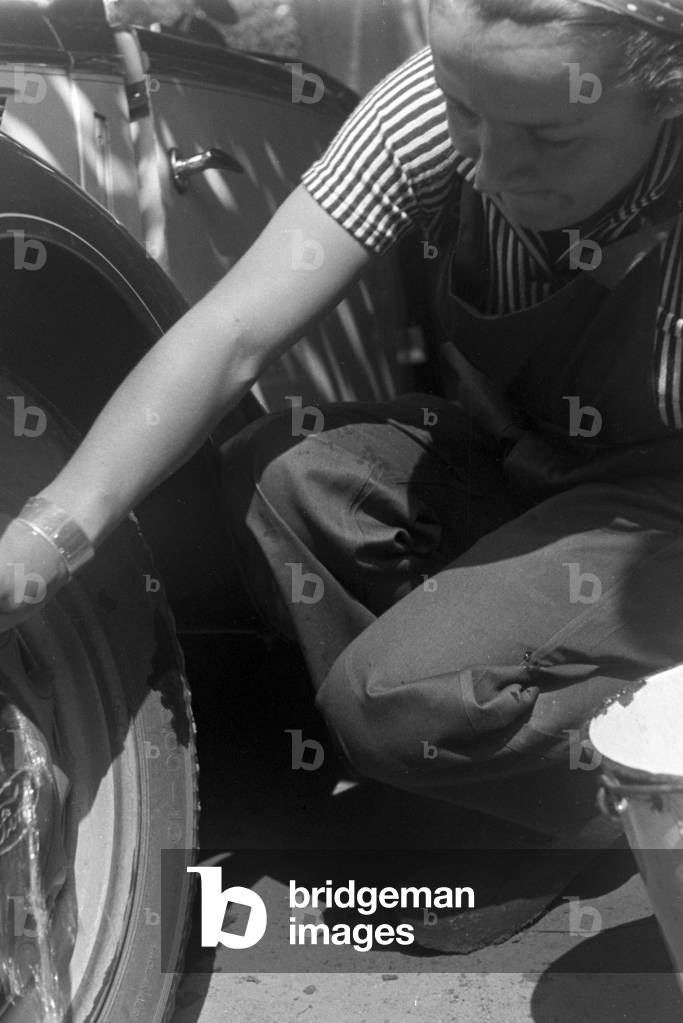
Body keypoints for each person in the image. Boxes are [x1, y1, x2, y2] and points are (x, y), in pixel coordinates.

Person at [3, 0, 683, 861]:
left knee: (392, 700)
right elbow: (232, 333)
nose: (490, 168)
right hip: (527, 461)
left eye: (549, 138)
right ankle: (475, 757)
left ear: (668, 94)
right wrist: (44, 537)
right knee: (282, 477)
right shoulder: (421, 117)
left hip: (657, 518)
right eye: (463, 110)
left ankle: (629, 797)